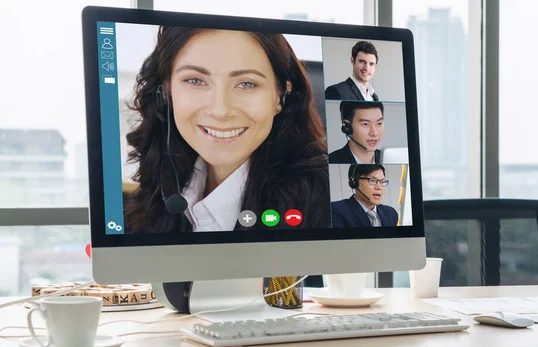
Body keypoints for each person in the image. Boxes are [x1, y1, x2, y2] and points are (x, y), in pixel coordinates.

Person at [124, 26, 330, 233]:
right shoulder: (160, 186)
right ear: (166, 93)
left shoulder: (332, 205)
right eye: (195, 80)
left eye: (247, 84)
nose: (220, 110)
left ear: (280, 96)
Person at [331, 164, 398, 228]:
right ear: (354, 182)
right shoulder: (335, 210)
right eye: (372, 180)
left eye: (382, 181)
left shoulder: (391, 213)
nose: (379, 187)